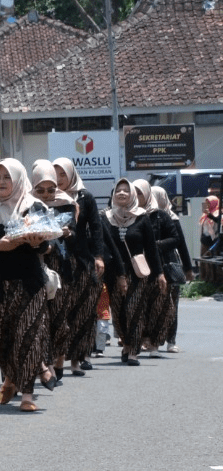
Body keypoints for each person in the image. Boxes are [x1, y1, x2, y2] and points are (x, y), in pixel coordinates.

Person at [0, 159, 54, 411]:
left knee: (28, 337)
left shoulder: (34, 206)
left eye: (7, 177)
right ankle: (15, 374)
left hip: (28, 283)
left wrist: (36, 243)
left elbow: (48, 245)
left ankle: (27, 394)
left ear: (18, 178)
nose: (1, 182)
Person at [53, 157, 106, 375]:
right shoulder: (48, 196)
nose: (58, 179)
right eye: (55, 173)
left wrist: (99, 256)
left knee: (83, 311)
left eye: (62, 174)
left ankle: (76, 359)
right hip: (57, 261)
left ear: (71, 175)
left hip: (82, 261)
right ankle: (57, 357)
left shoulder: (85, 197)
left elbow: (96, 228)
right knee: (61, 311)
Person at [103, 177, 162, 367]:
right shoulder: (106, 217)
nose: (121, 193)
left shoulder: (142, 217)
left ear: (132, 195)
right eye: (118, 190)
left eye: (126, 190)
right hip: (113, 272)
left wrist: (159, 273)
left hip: (136, 272)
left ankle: (133, 350)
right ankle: (126, 341)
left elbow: (151, 248)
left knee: (134, 309)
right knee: (119, 311)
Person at [31, 159, 78, 382]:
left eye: (51, 189)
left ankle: (58, 360)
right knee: (39, 317)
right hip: (35, 264)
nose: (46, 194)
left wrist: (66, 233)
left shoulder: (67, 203)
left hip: (61, 265)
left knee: (59, 316)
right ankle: (44, 363)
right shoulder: (25, 204)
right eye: (40, 189)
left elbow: (76, 234)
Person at [148, 185, 191, 353]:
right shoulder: (144, 216)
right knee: (152, 304)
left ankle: (171, 340)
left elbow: (181, 244)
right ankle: (150, 338)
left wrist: (188, 268)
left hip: (169, 264)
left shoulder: (171, 217)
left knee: (172, 304)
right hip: (151, 266)